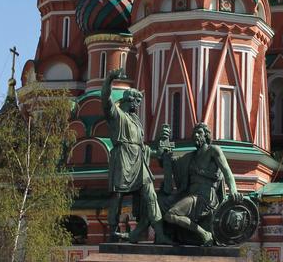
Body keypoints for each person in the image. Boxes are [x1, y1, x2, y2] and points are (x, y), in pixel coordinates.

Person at [102, 66, 166, 242]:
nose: (138, 106)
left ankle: (159, 233)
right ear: (129, 100)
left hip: (139, 160)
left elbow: (142, 147)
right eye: (136, 102)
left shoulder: (136, 121)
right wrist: (109, 80)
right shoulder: (117, 116)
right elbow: (106, 101)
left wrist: (155, 152)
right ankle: (113, 231)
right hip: (123, 158)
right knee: (118, 196)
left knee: (150, 193)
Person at [159, 122, 238, 245]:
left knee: (171, 214)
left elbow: (227, 171)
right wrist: (165, 148)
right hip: (191, 196)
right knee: (161, 202)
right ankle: (163, 236)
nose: (196, 135)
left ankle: (204, 234)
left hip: (205, 198)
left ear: (206, 135)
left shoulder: (213, 150)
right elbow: (172, 163)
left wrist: (233, 190)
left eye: (199, 133)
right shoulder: (191, 156)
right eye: (194, 133)